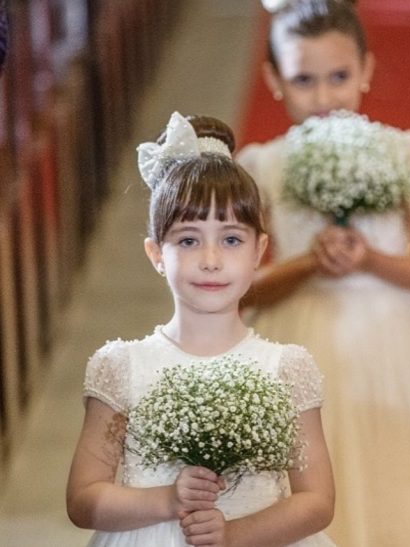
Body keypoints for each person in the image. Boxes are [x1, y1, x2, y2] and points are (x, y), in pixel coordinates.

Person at [236, 1, 410, 544]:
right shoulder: (262, 164)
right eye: (303, 80)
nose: (325, 97)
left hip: (398, 337)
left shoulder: (401, 151)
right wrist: (310, 261)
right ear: (273, 79)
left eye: (339, 77)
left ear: (366, 69)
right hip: (302, 337)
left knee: (399, 465)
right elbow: (239, 291)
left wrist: (369, 258)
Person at [66, 112, 335, 547]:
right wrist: (168, 500)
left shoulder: (286, 367)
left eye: (230, 239)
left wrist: (233, 533)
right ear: (156, 253)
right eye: (188, 240)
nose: (210, 259)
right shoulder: (121, 366)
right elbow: (83, 499)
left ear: (259, 250)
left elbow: (317, 501)